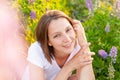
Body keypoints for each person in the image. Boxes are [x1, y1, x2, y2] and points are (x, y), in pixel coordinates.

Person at [27, 10, 95, 80]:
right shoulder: (37, 51)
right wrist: (70, 66)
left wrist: (84, 44)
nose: (67, 39)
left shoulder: (76, 44)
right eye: (57, 35)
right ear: (48, 41)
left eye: (68, 30)